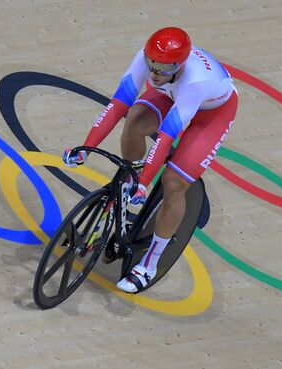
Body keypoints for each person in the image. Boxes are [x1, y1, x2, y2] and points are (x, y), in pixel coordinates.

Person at [63, 27, 238, 293]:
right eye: (151, 67)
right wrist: (86, 148)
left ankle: (149, 265)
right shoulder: (151, 62)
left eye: (163, 70)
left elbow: (166, 136)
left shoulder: (195, 81)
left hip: (210, 115)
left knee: (173, 183)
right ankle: (126, 181)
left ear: (178, 66)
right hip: (171, 94)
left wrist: (145, 183)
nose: (154, 74)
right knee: (132, 124)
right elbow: (117, 105)